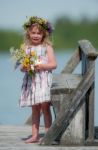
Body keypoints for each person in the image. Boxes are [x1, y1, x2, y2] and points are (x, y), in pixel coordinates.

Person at [19, 16, 57, 143]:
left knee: (45, 107)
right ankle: (35, 135)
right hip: (32, 82)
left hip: (44, 80)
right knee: (35, 109)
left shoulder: (47, 47)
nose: (36, 35)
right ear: (28, 33)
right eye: (33, 32)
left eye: (39, 33)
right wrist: (25, 67)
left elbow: (53, 64)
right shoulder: (25, 47)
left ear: (44, 34)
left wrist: (42, 66)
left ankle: (48, 134)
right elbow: (21, 67)